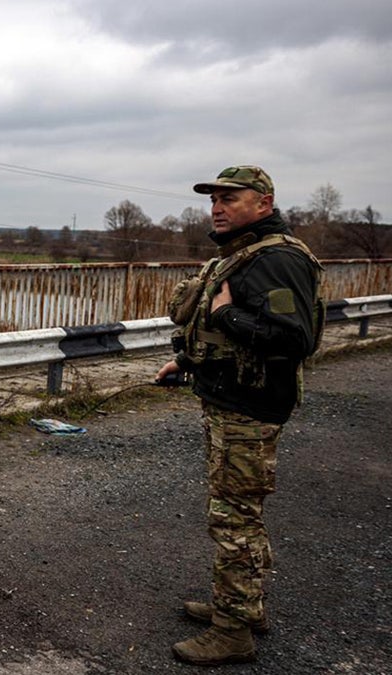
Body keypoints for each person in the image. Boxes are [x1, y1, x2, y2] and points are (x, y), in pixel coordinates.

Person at [156, 165, 322, 666]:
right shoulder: (244, 258)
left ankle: (233, 632)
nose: (218, 208)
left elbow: (294, 340)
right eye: (214, 200)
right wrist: (183, 360)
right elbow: (225, 339)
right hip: (231, 403)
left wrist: (227, 312)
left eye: (231, 198)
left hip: (248, 411)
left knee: (234, 520)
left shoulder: (275, 261)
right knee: (238, 515)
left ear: (264, 204)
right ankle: (242, 607)